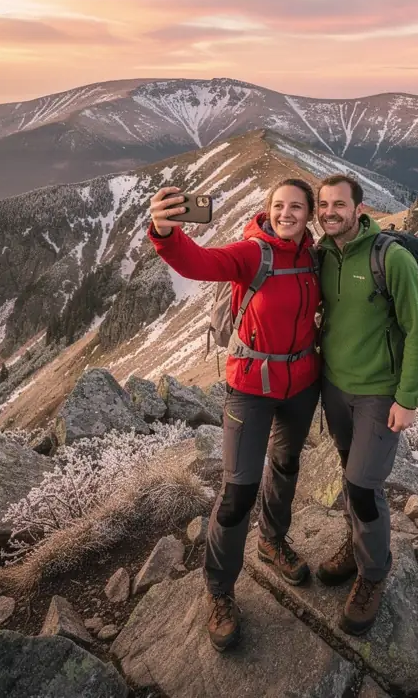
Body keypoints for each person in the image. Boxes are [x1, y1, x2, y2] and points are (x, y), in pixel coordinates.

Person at [147, 179, 321, 652]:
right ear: (267, 210)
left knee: (285, 468)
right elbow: (199, 263)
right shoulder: (251, 252)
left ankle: (272, 541)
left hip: (302, 386)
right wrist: (164, 232)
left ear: (310, 215)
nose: (287, 213)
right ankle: (220, 590)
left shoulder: (315, 257)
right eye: (279, 205)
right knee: (238, 490)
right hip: (250, 389)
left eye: (297, 207)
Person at [313, 173, 418, 634]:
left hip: (380, 393)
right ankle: (356, 546)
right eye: (323, 205)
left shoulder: (391, 258)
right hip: (335, 388)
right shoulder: (322, 253)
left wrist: (408, 398)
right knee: (349, 474)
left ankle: (374, 575)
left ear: (359, 209)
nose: (329, 212)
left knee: (364, 486)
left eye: (339, 205)